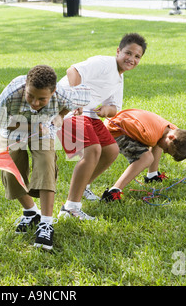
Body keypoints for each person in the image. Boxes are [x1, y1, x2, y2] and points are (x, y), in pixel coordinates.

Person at [0, 65, 90, 250]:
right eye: (30, 96)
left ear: (53, 92)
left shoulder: (62, 93)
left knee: (46, 164)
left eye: (42, 99)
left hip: (44, 128)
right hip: (13, 128)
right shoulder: (11, 94)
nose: (35, 103)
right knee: (11, 169)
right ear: (26, 87)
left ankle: (46, 223)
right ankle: (30, 212)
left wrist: (61, 115)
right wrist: (30, 128)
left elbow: (84, 96)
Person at [57, 33, 147, 220]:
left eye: (137, 56)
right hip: (67, 109)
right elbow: (72, 71)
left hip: (90, 115)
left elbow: (115, 108)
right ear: (118, 51)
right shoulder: (104, 63)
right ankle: (70, 208)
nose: (131, 59)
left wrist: (107, 109)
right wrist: (76, 97)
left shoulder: (119, 78)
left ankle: (83, 187)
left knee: (111, 150)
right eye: (128, 53)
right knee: (93, 150)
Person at [101, 108, 186, 201]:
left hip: (123, 120)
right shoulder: (149, 137)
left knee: (160, 141)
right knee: (146, 158)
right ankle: (113, 191)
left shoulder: (172, 129)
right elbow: (123, 123)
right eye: (167, 150)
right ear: (172, 137)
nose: (165, 152)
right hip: (113, 131)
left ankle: (152, 175)